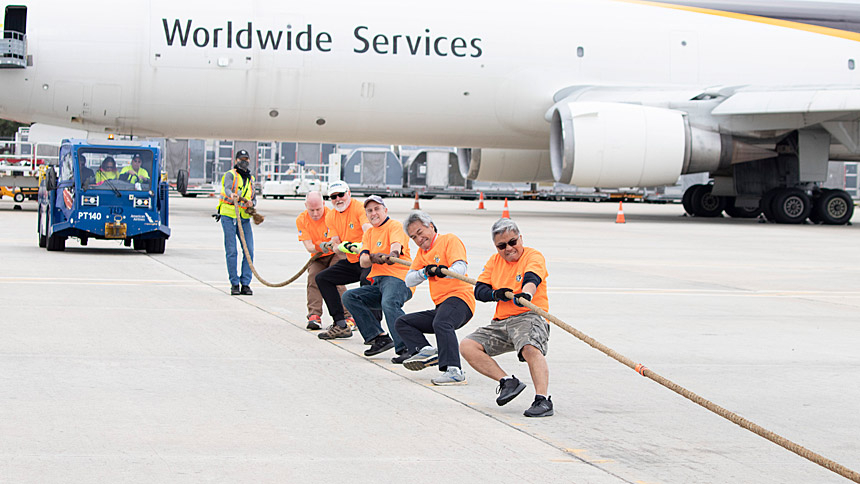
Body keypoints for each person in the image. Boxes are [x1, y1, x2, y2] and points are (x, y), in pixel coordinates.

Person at [460, 218, 554, 417]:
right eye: (502, 246)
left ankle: (543, 400)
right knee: (467, 346)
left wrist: (526, 294)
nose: (509, 248)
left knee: (530, 347)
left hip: (530, 316)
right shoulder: (494, 261)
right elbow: (480, 290)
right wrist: (496, 294)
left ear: (521, 238)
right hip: (501, 323)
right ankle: (507, 382)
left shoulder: (533, 255)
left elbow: (532, 278)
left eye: (512, 242)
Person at [395, 210, 475, 384]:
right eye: (414, 237)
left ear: (430, 226)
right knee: (403, 322)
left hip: (460, 300)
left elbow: (460, 268)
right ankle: (427, 350)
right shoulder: (422, 254)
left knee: (442, 322)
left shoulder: (449, 240)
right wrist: (424, 272)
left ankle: (454, 370)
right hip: (442, 306)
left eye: (420, 232)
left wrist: (442, 271)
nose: (418, 239)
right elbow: (409, 280)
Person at [341, 195, 413, 358]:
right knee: (350, 297)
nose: (373, 213)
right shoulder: (369, 234)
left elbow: (396, 245)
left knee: (389, 303)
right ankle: (378, 338)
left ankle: (407, 346)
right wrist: (374, 257)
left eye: (377, 209)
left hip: (398, 279)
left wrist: (392, 254)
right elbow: (363, 262)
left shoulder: (394, 226)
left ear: (385, 210)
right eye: (369, 211)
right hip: (378, 282)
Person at [316, 181, 372, 340]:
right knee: (323, 278)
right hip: (353, 260)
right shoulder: (331, 216)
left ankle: (374, 330)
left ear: (349, 193)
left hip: (367, 259)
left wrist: (357, 246)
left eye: (341, 194)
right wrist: (338, 246)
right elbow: (335, 242)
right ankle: (340, 324)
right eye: (333, 197)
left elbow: (369, 231)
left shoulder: (360, 208)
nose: (338, 199)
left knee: (366, 280)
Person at [296, 190, 352, 330]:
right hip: (318, 256)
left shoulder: (332, 216)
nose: (315, 214)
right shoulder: (301, 220)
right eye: (311, 210)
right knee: (313, 278)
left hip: (335, 253)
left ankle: (348, 315)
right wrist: (321, 246)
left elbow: (339, 239)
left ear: (324, 204)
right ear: (305, 206)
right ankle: (314, 315)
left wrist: (330, 246)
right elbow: (309, 246)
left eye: (318, 209)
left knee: (336, 278)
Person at [218, 149, 256, 296]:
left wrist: (251, 203)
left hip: (244, 218)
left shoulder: (250, 179)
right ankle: (234, 283)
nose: (244, 161)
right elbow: (227, 189)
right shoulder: (231, 175)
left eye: (246, 159)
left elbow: (253, 197)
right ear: (236, 161)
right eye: (241, 159)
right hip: (229, 216)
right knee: (232, 251)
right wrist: (232, 195)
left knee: (249, 250)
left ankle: (245, 283)